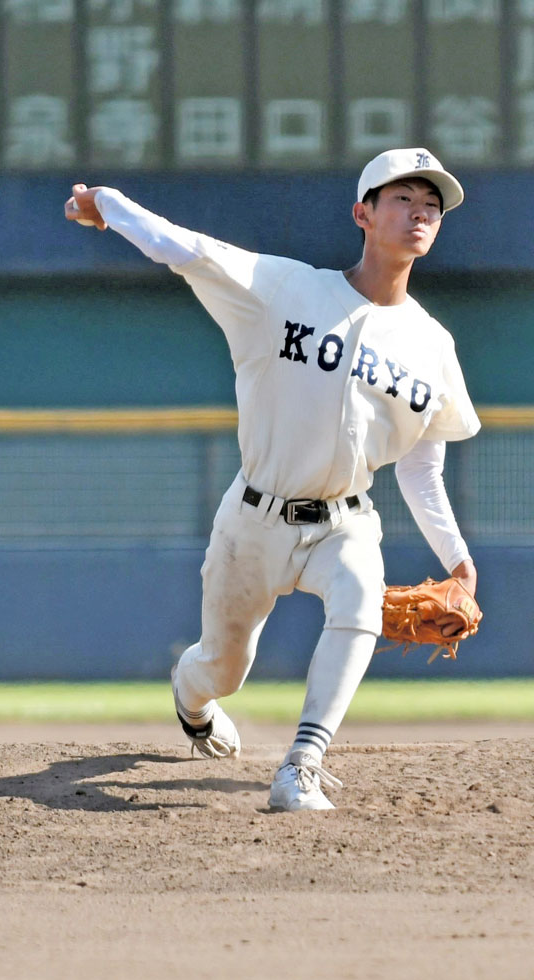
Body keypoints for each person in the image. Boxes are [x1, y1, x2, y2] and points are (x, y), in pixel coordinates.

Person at [64, 147, 480, 812]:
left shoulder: (433, 346)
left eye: (431, 204)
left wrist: (458, 560)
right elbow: (184, 248)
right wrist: (106, 207)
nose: (420, 212)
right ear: (362, 214)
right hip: (253, 521)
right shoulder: (284, 290)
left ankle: (301, 766)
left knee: (360, 599)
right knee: (223, 669)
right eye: (403, 198)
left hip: (345, 520)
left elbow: (422, 469)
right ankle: (190, 698)